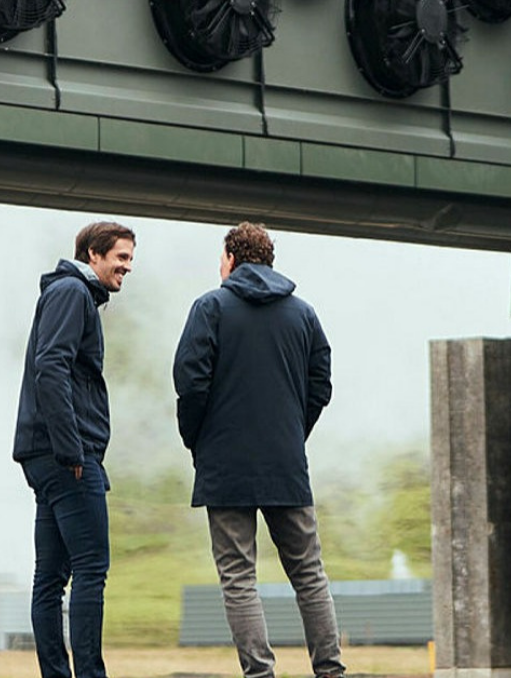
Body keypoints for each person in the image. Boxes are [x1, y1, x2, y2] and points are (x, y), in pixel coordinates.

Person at [172, 222, 345, 679]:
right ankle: (330, 672)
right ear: (268, 260)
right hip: (286, 464)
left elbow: (190, 384)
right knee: (309, 574)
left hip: (225, 465)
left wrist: (199, 441)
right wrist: (292, 431)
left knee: (238, 577)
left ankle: (260, 674)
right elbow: (320, 384)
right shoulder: (303, 314)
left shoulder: (210, 307)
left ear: (230, 259)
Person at [14, 221, 134, 678]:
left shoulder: (69, 294)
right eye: (120, 258)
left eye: (129, 259)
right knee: (90, 569)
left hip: (44, 453)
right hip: (65, 455)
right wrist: (73, 450)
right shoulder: (73, 293)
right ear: (93, 256)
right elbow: (52, 367)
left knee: (49, 579)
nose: (127, 267)